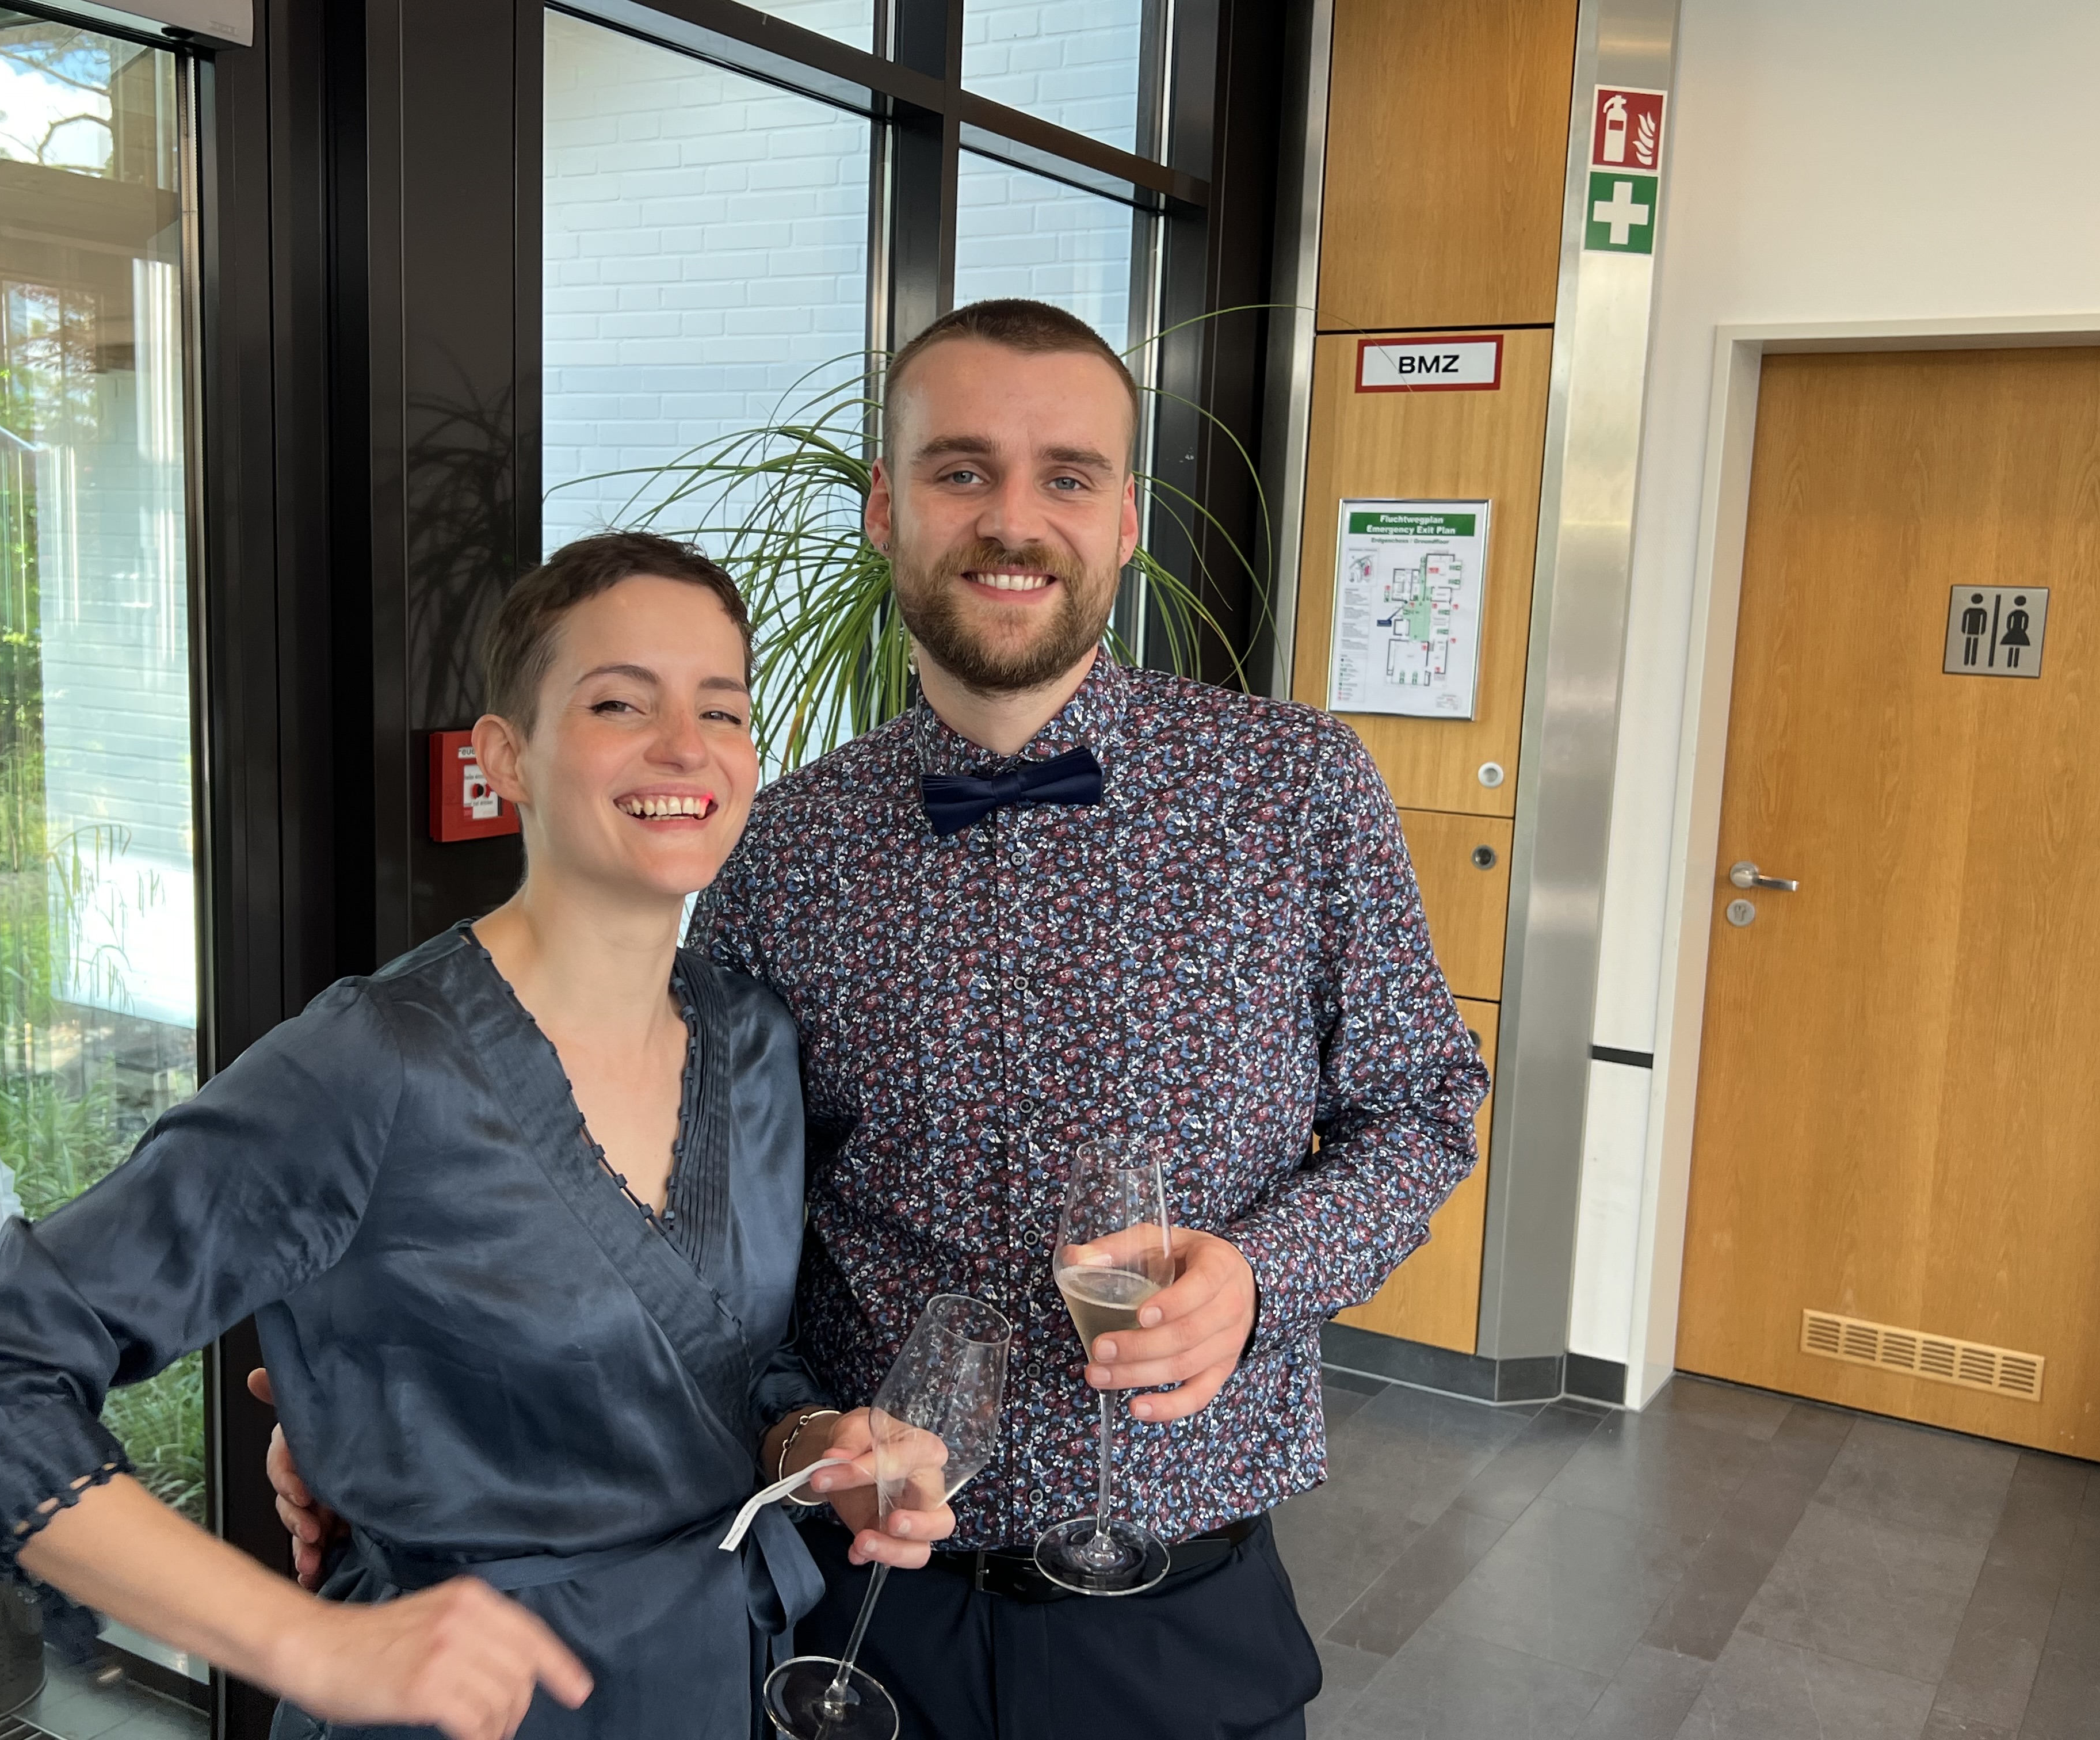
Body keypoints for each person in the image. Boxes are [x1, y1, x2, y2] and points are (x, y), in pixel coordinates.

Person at [274, 301, 1487, 1739]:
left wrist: (1262, 1278)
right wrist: (383, 1384)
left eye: (1066, 476)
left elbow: (1423, 1105)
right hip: (856, 1615)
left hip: (1183, 1605)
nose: (1013, 521)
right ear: (884, 509)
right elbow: (665, 1211)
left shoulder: (1296, 790)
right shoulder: (778, 849)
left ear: (1123, 521)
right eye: (961, 471)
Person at [0, 533, 955, 1740]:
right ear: (506, 757)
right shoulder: (374, 1065)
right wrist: (302, 1642)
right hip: (469, 1708)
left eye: (721, 708)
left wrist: (817, 1448)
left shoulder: (752, 1041)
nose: (685, 746)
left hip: (721, 1682)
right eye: (619, 702)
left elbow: (720, 1370)